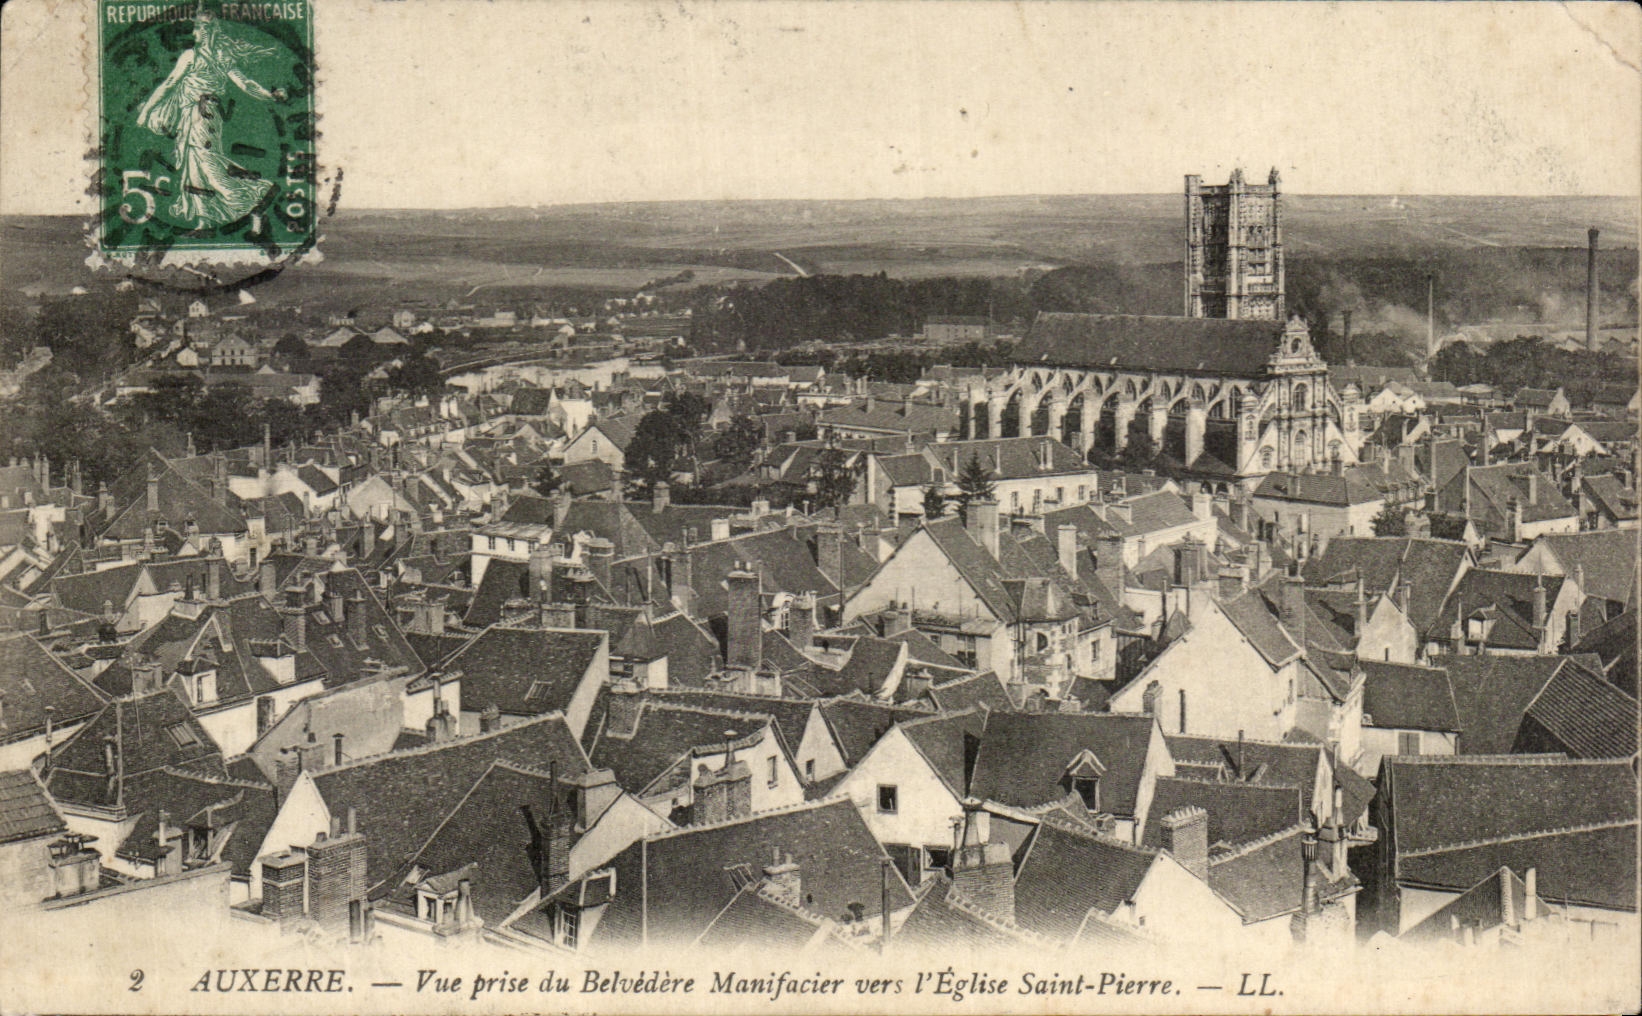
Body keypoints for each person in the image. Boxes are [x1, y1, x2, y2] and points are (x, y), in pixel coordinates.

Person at [136, 10, 287, 228]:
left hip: (201, 115)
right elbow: (246, 84)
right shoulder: (221, 57)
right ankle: (204, 221)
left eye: (198, 27)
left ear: (205, 31)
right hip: (200, 116)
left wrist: (145, 112)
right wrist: (269, 95)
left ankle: (257, 192)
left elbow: (168, 85)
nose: (195, 32)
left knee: (206, 162)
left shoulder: (192, 56)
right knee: (193, 163)